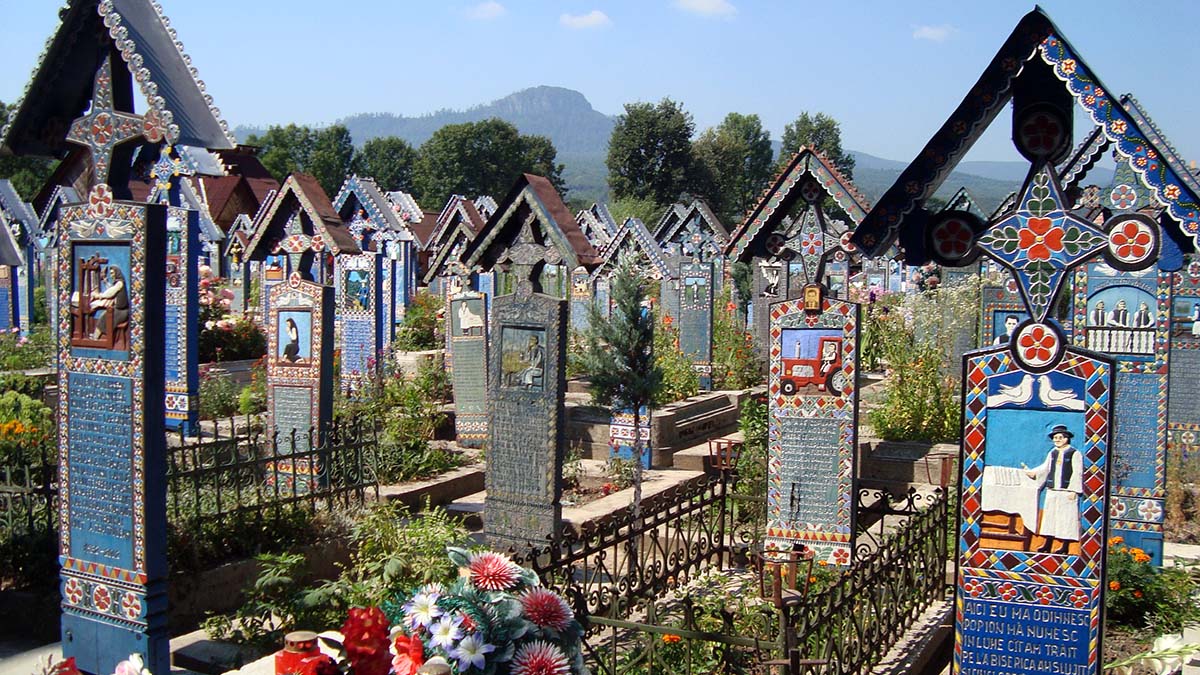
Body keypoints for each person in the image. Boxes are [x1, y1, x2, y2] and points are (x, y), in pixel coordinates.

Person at [1025, 425, 1083, 555]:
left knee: (1066, 519)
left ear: (1066, 438)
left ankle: (1065, 546)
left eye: (1060, 437)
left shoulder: (1074, 453)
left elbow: (1077, 472)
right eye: (1055, 438)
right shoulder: (1052, 453)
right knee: (1050, 518)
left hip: (1066, 492)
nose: (1057, 440)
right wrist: (1033, 473)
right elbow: (1045, 468)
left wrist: (1074, 491)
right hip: (1053, 490)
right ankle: (1047, 544)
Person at [89, 266, 129, 340]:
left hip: (122, 312)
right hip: (118, 310)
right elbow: (111, 288)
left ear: (117, 273)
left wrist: (99, 296)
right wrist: (105, 281)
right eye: (110, 273)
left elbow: (111, 292)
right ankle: (96, 335)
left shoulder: (120, 283)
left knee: (105, 318)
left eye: (112, 273)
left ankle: (97, 337)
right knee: (103, 316)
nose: (111, 275)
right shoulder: (118, 283)